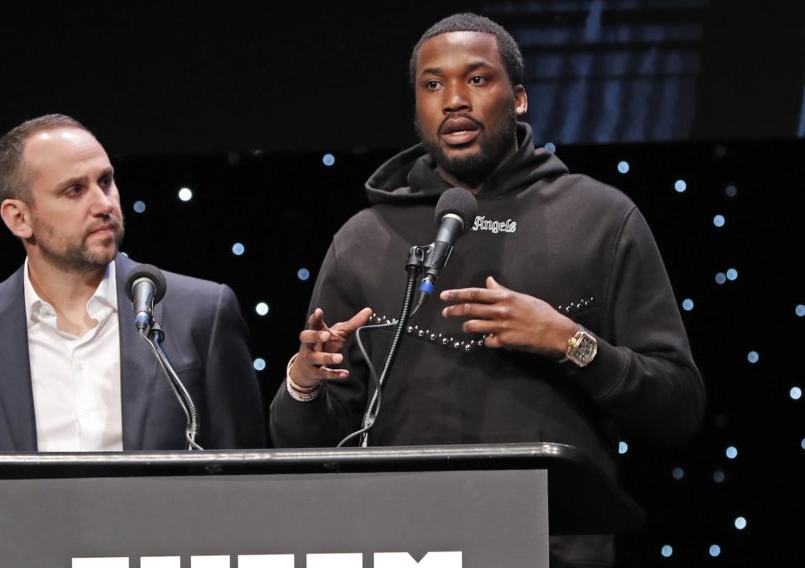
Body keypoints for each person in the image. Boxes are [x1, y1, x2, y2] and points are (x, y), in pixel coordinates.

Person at [270, 13, 704, 567]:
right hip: (402, 547)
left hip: (551, 548)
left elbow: (678, 409)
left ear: (518, 98)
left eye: (476, 79)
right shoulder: (362, 239)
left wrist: (569, 342)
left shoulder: (600, 219)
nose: (454, 100)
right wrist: (303, 383)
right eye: (433, 84)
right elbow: (308, 449)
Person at [0, 114, 265, 567]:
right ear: (19, 217)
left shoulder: (201, 312)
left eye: (106, 181)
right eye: (74, 190)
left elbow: (245, 478)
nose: (103, 203)